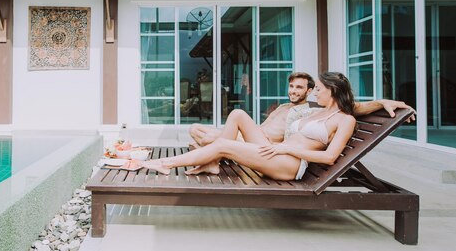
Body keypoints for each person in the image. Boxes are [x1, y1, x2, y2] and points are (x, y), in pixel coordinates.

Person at [140, 72, 359, 181]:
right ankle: (210, 163)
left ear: (334, 90)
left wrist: (287, 148)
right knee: (237, 114)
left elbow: (330, 157)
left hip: (290, 164)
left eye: (320, 89)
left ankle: (165, 163)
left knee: (223, 143)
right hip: (277, 153)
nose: (316, 93)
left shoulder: (345, 120)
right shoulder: (318, 111)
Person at [188, 71, 414, 149]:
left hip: (261, 145)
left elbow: (351, 107)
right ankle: (214, 149)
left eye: (299, 88)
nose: (293, 91)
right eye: (292, 86)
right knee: (196, 129)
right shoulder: (286, 106)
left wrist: (381, 102)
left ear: (310, 91)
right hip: (248, 136)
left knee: (205, 137)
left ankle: (216, 151)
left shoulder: (311, 110)